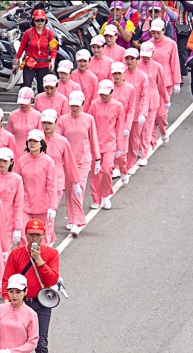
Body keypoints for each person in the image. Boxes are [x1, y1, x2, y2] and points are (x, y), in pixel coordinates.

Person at [1, 219, 60, 353]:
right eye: (31, 234)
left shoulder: (51, 254)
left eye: (38, 235)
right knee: (21, 342)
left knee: (40, 343)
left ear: (43, 236)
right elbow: (6, 279)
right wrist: (6, 299)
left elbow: (52, 280)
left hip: (42, 303)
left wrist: (40, 261)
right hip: (22, 303)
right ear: (26, 235)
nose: (34, 238)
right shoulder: (16, 254)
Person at [58, 91, 100, 232]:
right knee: (70, 190)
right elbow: (58, 141)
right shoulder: (63, 120)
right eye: (72, 106)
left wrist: (97, 158)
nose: (74, 108)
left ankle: (77, 221)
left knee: (78, 190)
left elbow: (93, 139)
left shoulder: (89, 119)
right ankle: (71, 219)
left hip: (83, 161)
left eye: (77, 105)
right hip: (68, 161)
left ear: (82, 104)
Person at [40, 108, 78, 244]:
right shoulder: (36, 140)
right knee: (42, 215)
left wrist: (76, 182)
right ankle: (47, 238)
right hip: (39, 185)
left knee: (50, 214)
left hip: (56, 184)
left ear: (56, 123)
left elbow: (70, 163)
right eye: (44, 123)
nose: (47, 126)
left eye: (50, 123)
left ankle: (48, 242)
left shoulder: (62, 142)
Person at [14, 129, 57, 245]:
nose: (32, 144)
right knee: (24, 236)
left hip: (42, 206)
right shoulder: (22, 161)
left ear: (41, 143)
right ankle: (24, 261)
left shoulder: (48, 162)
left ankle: (42, 260)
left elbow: (52, 185)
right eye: (30, 141)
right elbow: (17, 183)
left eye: (35, 141)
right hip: (25, 205)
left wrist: (52, 207)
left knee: (41, 237)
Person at [89, 79, 125, 210]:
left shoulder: (118, 106)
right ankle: (96, 199)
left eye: (106, 94)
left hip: (110, 143)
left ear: (112, 92)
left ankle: (105, 195)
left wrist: (120, 146)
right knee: (95, 173)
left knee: (106, 170)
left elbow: (120, 126)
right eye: (101, 94)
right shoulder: (94, 105)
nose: (103, 96)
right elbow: (90, 125)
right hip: (96, 144)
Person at [136, 41, 170, 164]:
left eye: (147, 55)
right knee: (139, 127)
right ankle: (141, 146)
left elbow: (161, 85)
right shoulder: (137, 65)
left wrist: (166, 99)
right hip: (139, 100)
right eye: (143, 54)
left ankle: (144, 154)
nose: (145, 57)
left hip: (152, 100)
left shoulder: (157, 67)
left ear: (152, 53)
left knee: (148, 127)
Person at [149, 18, 182, 139]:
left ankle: (163, 131)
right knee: (151, 114)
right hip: (152, 84)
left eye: (158, 32)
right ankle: (151, 141)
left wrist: (176, 82)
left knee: (161, 114)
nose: (156, 35)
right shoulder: (148, 44)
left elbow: (175, 63)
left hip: (166, 84)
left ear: (164, 30)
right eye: (153, 33)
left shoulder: (171, 44)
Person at [0, 147, 25, 252]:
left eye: (5, 161)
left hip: (7, 223)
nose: (2, 164)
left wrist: (17, 227)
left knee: (4, 254)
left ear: (11, 162)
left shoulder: (17, 179)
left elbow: (18, 203)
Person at [14, 8, 58, 90]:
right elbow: (22, 47)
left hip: (43, 65)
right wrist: (16, 59)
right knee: (26, 87)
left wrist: (52, 61)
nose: (40, 22)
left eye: (42, 20)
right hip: (30, 64)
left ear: (45, 21)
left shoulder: (49, 33)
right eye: (38, 20)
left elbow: (53, 48)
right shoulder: (28, 33)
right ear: (34, 21)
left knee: (42, 89)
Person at [108, 62, 136, 185]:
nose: (117, 76)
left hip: (123, 123)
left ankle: (122, 170)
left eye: (119, 73)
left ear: (124, 74)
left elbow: (131, 109)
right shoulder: (109, 88)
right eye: (115, 74)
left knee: (122, 151)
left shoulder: (130, 89)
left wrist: (127, 126)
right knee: (112, 148)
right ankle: (114, 167)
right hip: (111, 123)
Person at [123, 48, 150, 171]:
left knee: (134, 141)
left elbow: (145, 96)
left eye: (132, 59)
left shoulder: (142, 76)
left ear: (137, 59)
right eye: (127, 59)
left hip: (136, 113)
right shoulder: (122, 74)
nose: (129, 62)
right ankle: (121, 165)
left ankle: (130, 164)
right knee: (122, 141)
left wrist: (143, 113)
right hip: (123, 113)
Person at [71, 49, 99, 114]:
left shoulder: (93, 78)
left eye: (85, 61)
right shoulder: (72, 75)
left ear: (89, 61)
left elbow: (95, 98)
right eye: (80, 61)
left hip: (88, 111)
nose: (82, 64)